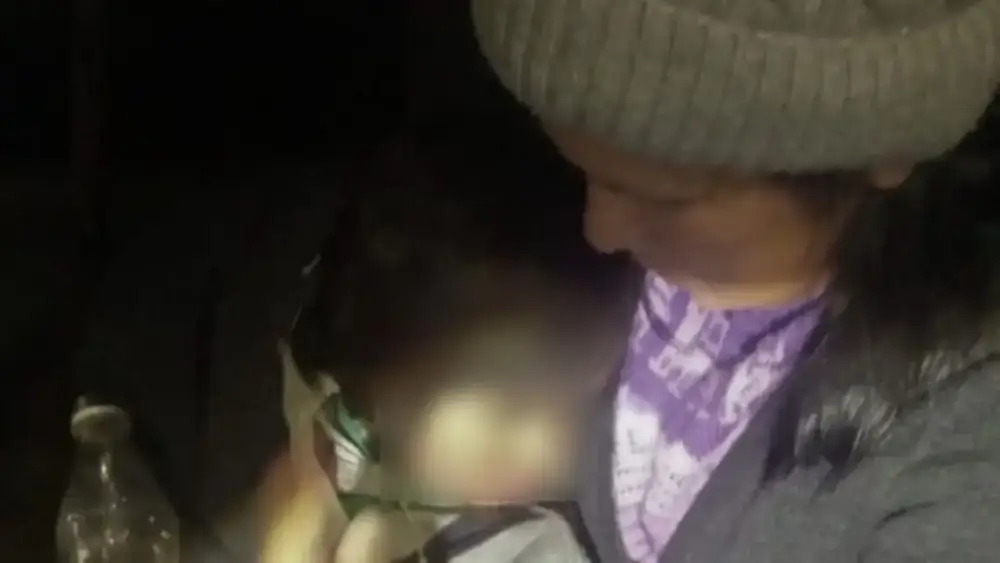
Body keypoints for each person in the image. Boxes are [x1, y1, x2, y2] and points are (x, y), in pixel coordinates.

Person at [468, 1, 1000, 563]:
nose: (599, 233)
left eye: (665, 201)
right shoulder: (673, 243)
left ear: (886, 152)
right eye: (584, 170)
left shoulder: (964, 465)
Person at [270, 136, 637, 562]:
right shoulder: (334, 421)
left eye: (578, 408)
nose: (548, 452)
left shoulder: (540, 540)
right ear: (388, 368)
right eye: (509, 409)